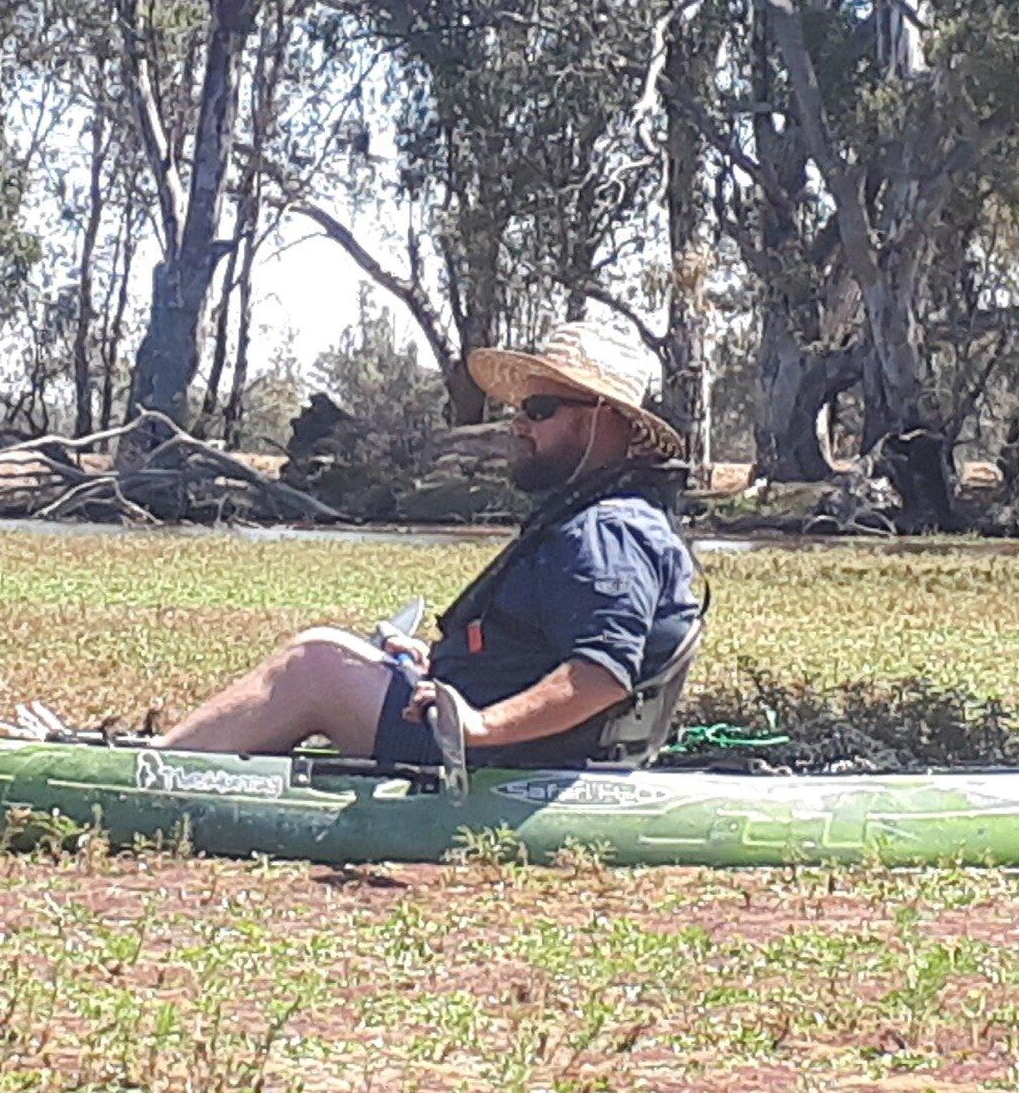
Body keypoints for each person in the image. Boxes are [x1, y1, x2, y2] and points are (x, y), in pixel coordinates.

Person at [158, 317, 705, 771]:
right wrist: (442, 665)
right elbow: (541, 647)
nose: (518, 425)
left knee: (315, 662)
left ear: (603, 421)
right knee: (339, 655)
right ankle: (170, 756)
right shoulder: (608, 520)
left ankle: (154, 771)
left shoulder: (608, 531)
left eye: (539, 409)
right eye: (520, 409)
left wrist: (479, 724)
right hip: (492, 734)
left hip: (500, 753)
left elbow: (602, 677)